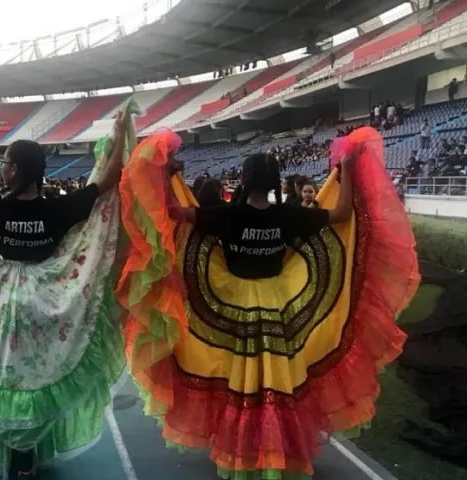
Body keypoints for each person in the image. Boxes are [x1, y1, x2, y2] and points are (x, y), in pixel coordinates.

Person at [117, 126, 420, 479]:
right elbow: (340, 214)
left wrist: (166, 177)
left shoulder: (225, 215)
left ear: (243, 179)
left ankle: (241, 450)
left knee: (240, 380)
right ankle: (277, 451)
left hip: (229, 305)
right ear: (276, 181)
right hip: (280, 306)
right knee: (278, 381)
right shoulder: (287, 215)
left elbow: (176, 215)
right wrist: (347, 170)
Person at [0, 88, 135, 479]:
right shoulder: (59, 207)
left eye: (4, 162)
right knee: (41, 376)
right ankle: (28, 452)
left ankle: (19, 454)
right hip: (48, 301)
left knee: (6, 375)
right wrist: (120, 134)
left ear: (15, 170)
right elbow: (108, 181)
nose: (1, 168)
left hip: (1, 304)